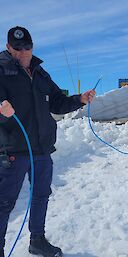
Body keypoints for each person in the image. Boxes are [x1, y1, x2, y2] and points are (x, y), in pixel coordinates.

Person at [0, 26, 96, 257]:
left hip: (42, 149)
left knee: (41, 195)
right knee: (4, 202)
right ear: (8, 47)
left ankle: (38, 240)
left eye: (27, 48)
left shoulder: (41, 74)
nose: (23, 53)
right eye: (17, 49)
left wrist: (80, 100)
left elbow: (57, 103)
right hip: (15, 149)